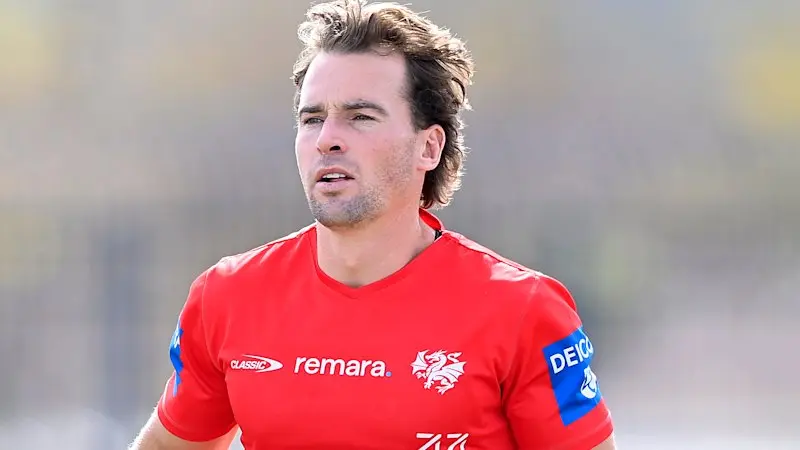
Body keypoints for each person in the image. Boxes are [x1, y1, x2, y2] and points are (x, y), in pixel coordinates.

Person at [129, 1, 616, 449]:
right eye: (312, 119)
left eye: (360, 117)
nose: (327, 139)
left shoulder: (523, 311)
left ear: (429, 146)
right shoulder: (228, 296)